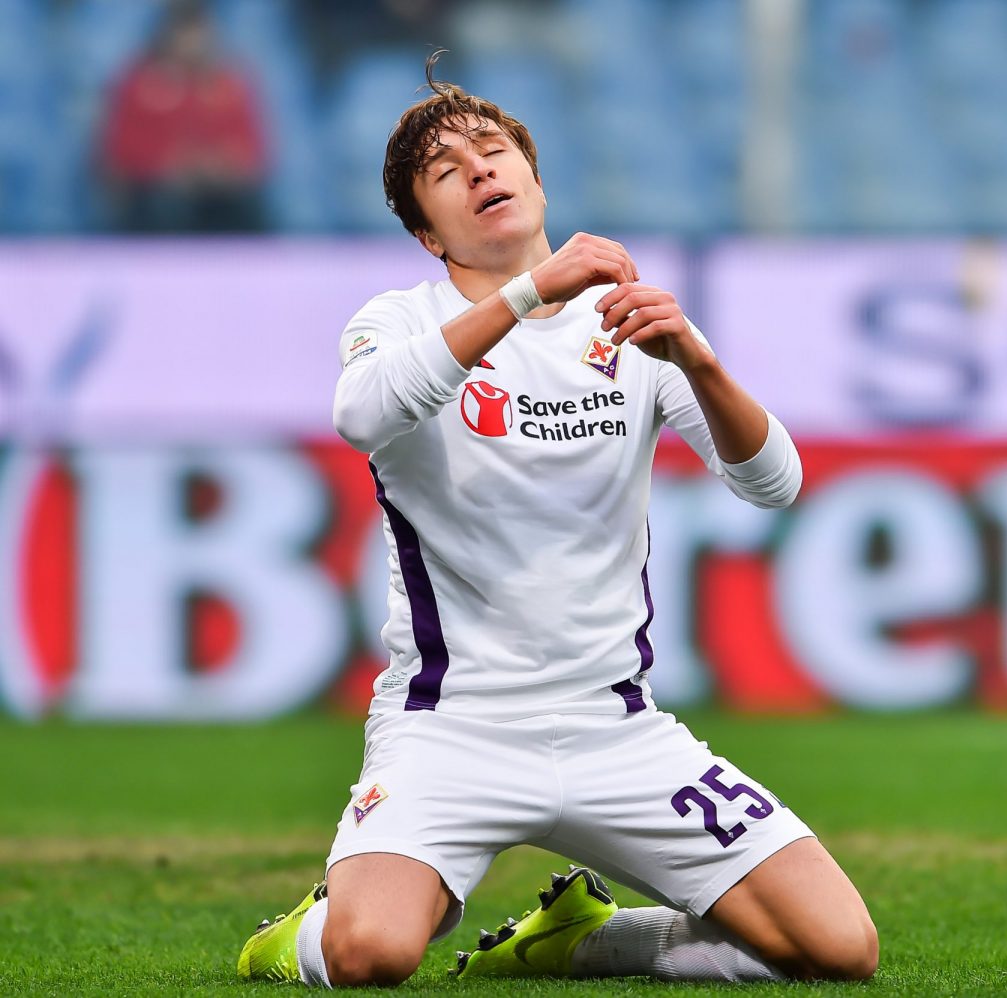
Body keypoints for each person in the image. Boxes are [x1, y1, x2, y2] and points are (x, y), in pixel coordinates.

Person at [235, 53, 878, 988]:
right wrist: (533, 292)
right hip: (450, 727)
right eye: (448, 174)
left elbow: (775, 483)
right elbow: (360, 414)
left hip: (616, 727)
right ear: (427, 233)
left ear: (535, 180)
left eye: (495, 154)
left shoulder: (628, 329)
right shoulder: (400, 320)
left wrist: (694, 356)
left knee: (838, 950)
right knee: (370, 955)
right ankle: (294, 935)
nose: (481, 172)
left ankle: (581, 939)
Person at [98, 0, 269, 233]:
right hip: (156, 191)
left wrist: (219, 166)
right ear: (167, 35)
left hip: (219, 192)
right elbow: (119, 152)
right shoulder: (139, 84)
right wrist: (169, 166)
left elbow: (253, 150)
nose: (193, 44)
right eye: (185, 33)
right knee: (165, 207)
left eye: (199, 33)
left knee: (252, 208)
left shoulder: (230, 85)